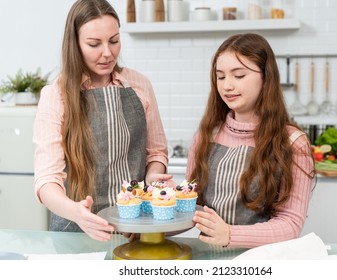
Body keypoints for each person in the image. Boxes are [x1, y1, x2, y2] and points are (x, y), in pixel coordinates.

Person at [33, 0, 171, 242]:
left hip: (134, 228)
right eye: (94, 44)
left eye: (114, 41)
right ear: (74, 44)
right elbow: (46, 181)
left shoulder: (139, 85)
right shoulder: (56, 95)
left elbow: (157, 152)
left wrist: (151, 177)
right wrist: (76, 212)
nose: (108, 53)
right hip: (75, 232)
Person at [187, 33, 315, 248]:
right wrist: (168, 195)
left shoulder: (293, 143)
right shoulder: (206, 136)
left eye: (238, 75)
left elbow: (291, 224)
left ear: (266, 77)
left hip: (264, 261)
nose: (227, 86)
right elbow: (193, 204)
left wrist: (229, 234)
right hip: (208, 256)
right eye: (221, 76)